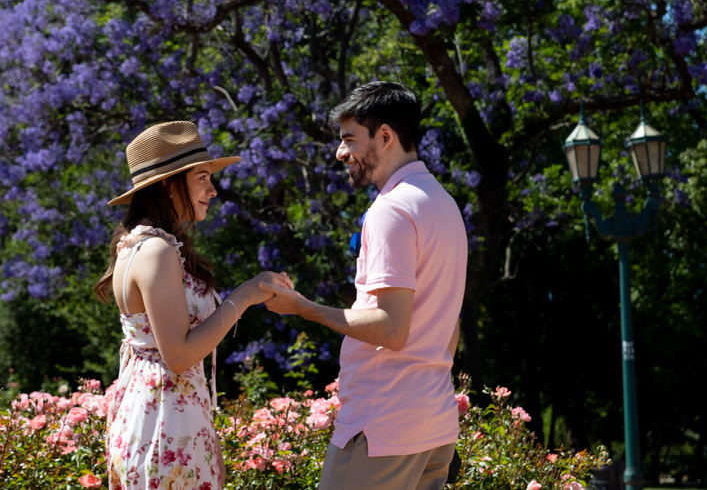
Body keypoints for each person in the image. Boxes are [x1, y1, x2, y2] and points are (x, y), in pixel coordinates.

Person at [260, 81, 468, 490]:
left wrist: (303, 307)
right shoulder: (443, 203)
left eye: (349, 139)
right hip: (434, 425)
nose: (341, 152)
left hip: (384, 426)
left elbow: (391, 328)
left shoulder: (391, 210)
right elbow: (452, 328)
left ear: (385, 136)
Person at [94, 120, 292, 490]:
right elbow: (179, 355)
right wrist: (244, 296)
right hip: (165, 423)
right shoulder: (156, 250)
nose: (213, 190)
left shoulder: (139, 244)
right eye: (202, 177)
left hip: (159, 414)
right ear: (168, 184)